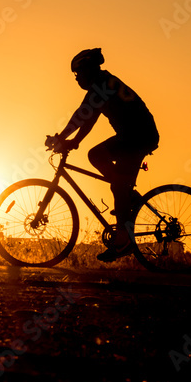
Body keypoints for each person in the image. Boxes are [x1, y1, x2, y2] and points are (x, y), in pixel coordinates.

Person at [49, 48, 160, 262]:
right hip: (132, 135)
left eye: (78, 73)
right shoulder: (101, 84)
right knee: (97, 156)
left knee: (116, 183)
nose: (76, 78)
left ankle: (123, 240)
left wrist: (63, 138)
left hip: (139, 136)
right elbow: (89, 118)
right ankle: (128, 197)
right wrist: (71, 141)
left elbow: (82, 115)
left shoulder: (103, 84)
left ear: (89, 69)